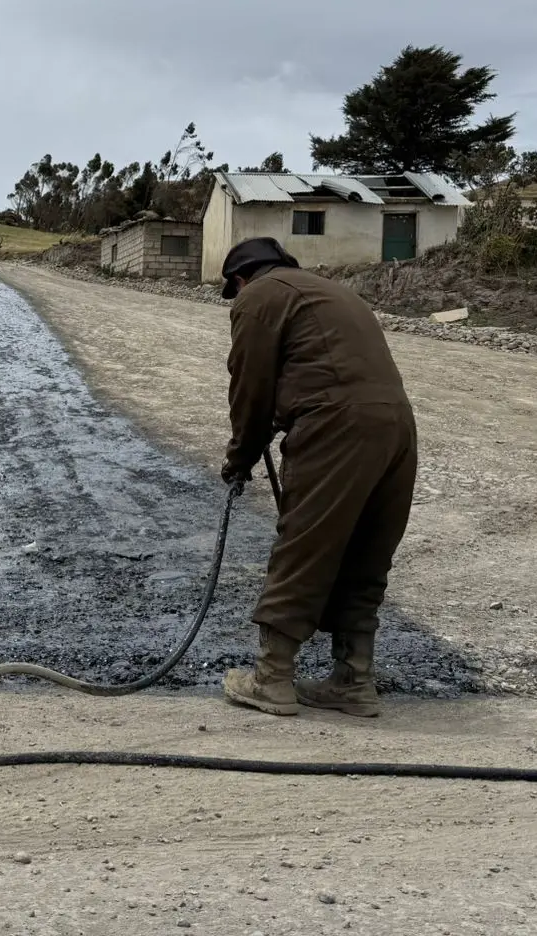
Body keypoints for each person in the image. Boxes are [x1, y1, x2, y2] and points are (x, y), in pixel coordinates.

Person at [216, 236, 417, 718]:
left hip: (335, 426)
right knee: (365, 553)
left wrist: (240, 457)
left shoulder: (259, 296)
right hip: (396, 427)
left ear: (241, 278)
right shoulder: (334, 291)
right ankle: (354, 680)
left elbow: (250, 387)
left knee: (304, 546)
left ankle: (272, 678)